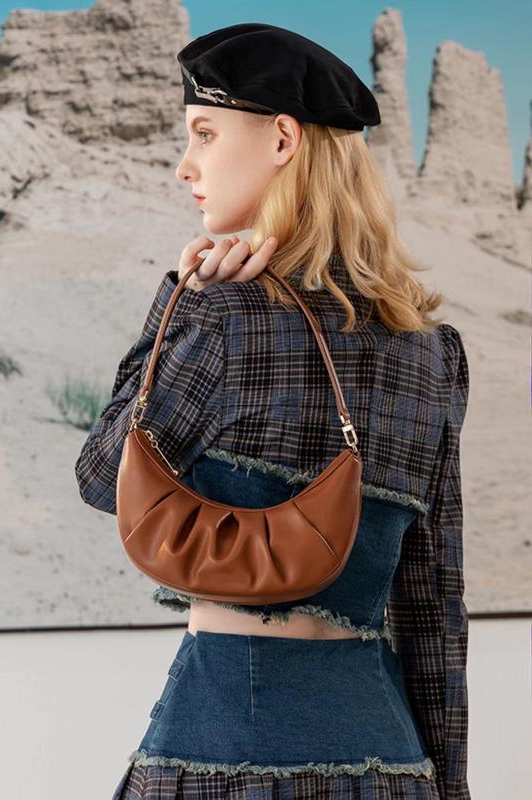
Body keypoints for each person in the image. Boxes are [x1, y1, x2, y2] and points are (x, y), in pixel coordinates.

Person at [75, 22, 470, 800]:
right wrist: (449, 786)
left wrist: (179, 301)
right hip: (389, 765)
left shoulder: (222, 319)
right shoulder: (432, 351)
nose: (186, 164)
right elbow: (432, 602)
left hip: (219, 756)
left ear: (283, 139)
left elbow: (100, 474)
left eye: (205, 132)